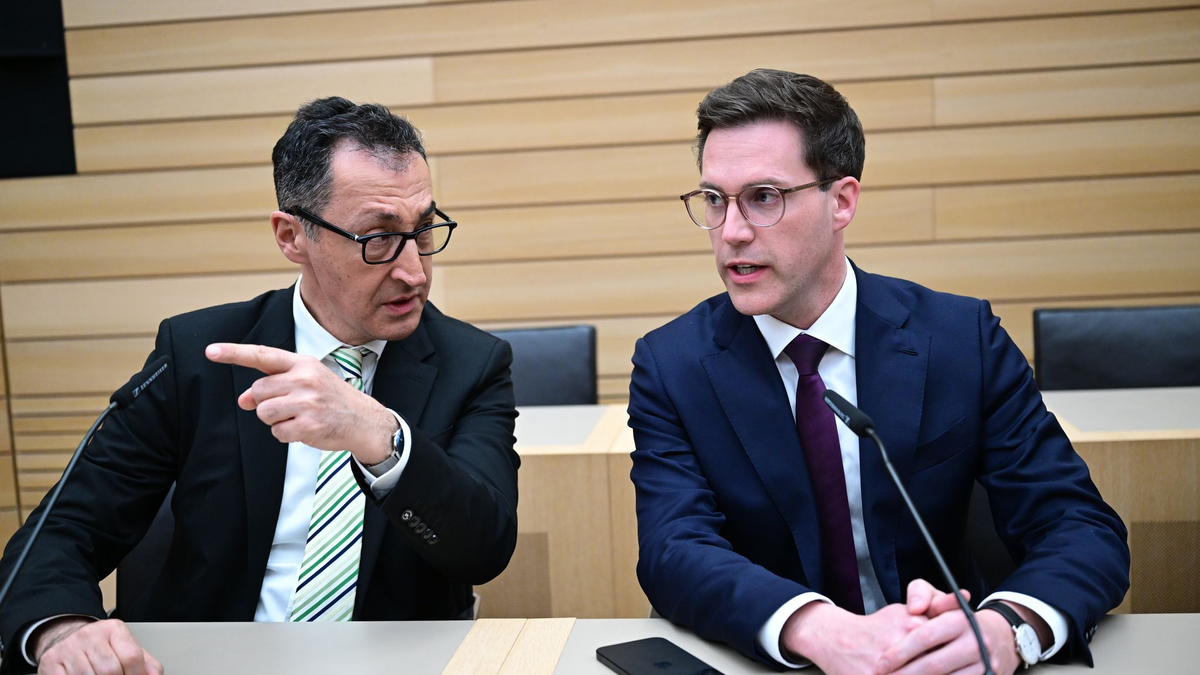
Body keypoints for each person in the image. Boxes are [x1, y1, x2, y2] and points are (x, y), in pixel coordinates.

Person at [627, 69, 1129, 675]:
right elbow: (673, 549)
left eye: (764, 197)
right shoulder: (672, 365)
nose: (730, 232)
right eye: (714, 199)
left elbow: (1078, 525)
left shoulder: (960, 339)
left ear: (841, 201)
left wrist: (1008, 630)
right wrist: (816, 629)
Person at [0, 97, 520, 675]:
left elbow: (485, 547)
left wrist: (379, 434)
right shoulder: (199, 354)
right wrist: (61, 629)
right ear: (292, 237)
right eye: (377, 238)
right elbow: (65, 527)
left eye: (423, 230)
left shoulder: (472, 364)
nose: (415, 271)